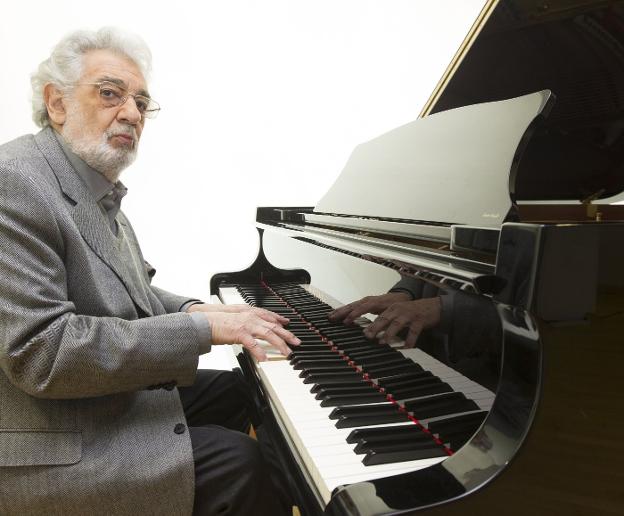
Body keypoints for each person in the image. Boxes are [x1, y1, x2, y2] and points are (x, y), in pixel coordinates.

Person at [0, 28, 300, 516]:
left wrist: (194, 309)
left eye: (142, 102)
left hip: (87, 407)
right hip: (46, 438)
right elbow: (43, 353)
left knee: (243, 390)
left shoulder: (93, 188)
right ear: (57, 103)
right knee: (244, 463)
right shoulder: (14, 183)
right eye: (110, 94)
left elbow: (136, 293)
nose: (133, 114)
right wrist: (202, 329)